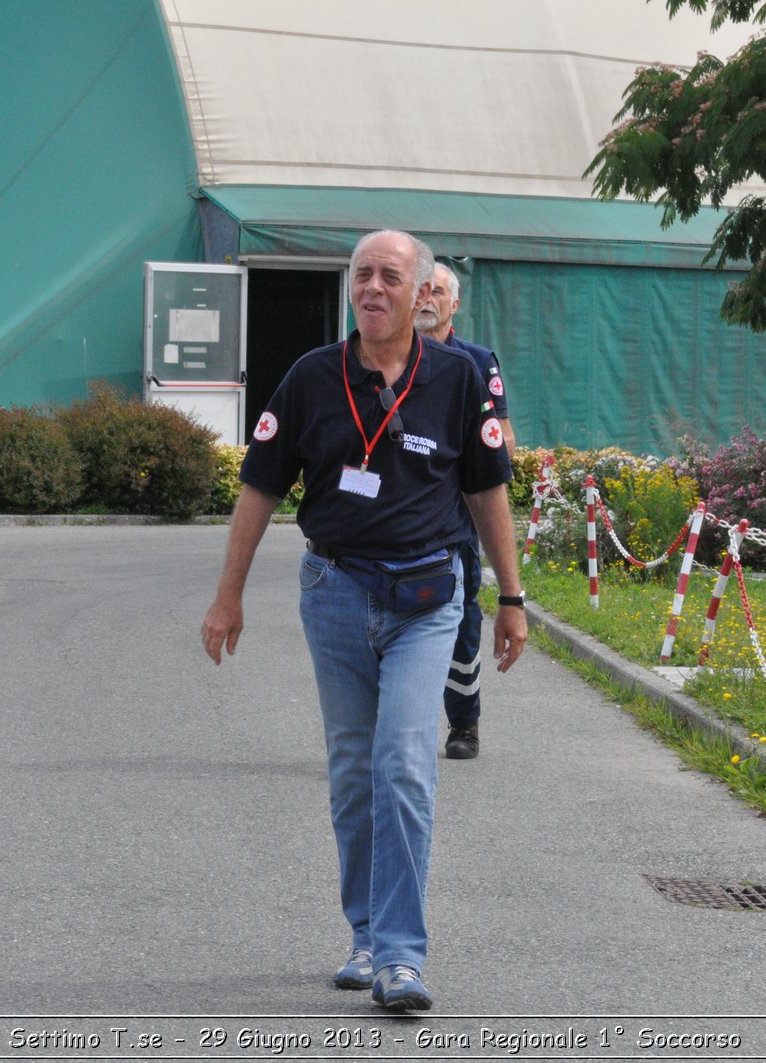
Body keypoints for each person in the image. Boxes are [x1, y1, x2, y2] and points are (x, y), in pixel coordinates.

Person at [200, 230, 527, 1013]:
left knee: (405, 763)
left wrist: (511, 597)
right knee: (353, 774)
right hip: (337, 592)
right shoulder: (313, 378)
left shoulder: (457, 377)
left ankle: (402, 955)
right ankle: (367, 934)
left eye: (391, 276)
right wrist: (228, 594)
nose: (373, 287)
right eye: (362, 275)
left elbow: (488, 492)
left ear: (423, 295)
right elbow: (260, 488)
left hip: (426, 600)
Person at [416, 263, 514, 760]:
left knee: (461, 623)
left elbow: (502, 438)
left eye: (438, 292)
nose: (427, 299)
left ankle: (464, 724)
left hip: (457, 523)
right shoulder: (388, 360)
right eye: (421, 290)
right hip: (402, 523)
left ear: (455, 305)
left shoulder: (475, 362)